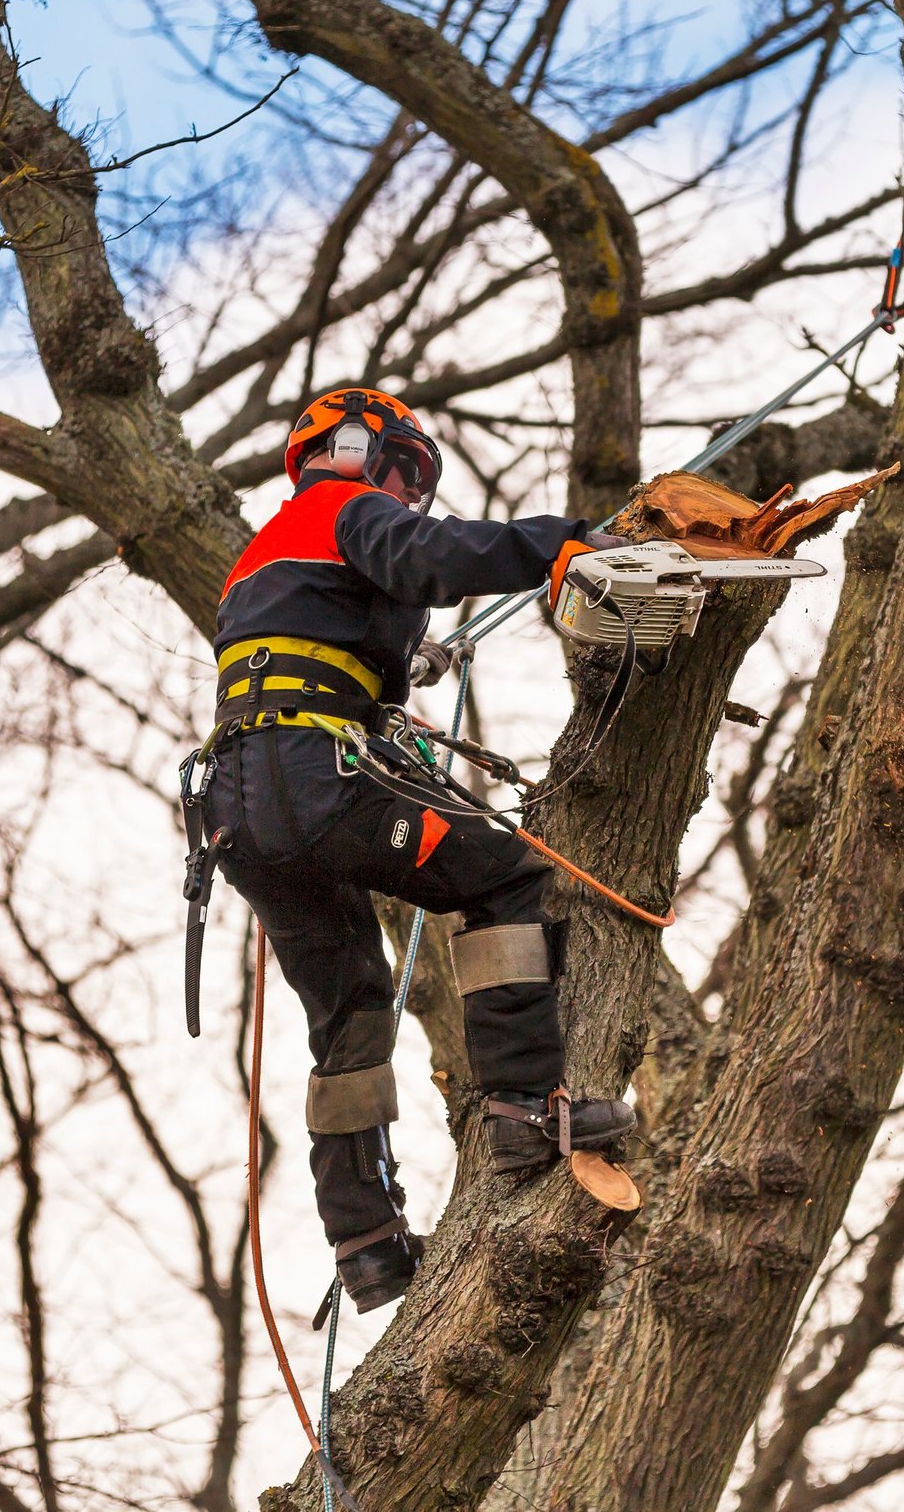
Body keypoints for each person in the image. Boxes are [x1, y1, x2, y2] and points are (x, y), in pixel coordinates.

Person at [198, 386, 635, 1312]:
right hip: (311, 775)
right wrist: (559, 542)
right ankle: (523, 1108)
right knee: (504, 874)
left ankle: (365, 1243)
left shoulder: (258, 560)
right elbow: (431, 556)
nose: (404, 493)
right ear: (349, 449)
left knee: (352, 1011)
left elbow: (326, 635)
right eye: (398, 469)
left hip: (242, 813)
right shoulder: (339, 507)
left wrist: (411, 664)